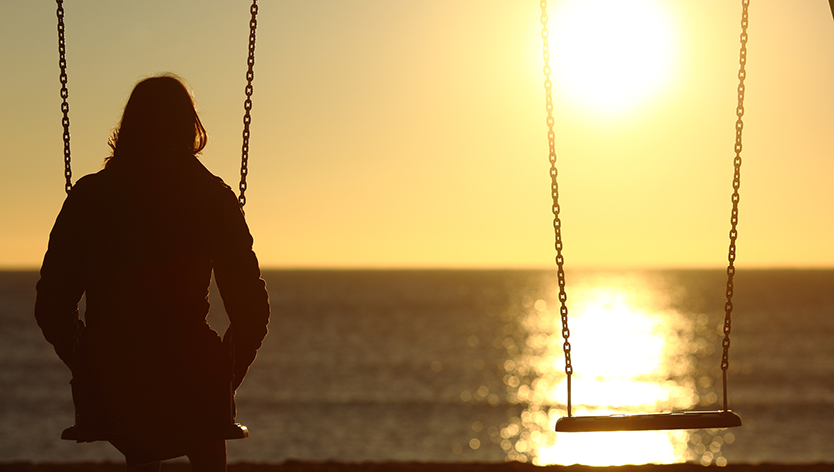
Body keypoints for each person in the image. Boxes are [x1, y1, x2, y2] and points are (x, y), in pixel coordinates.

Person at [34, 74, 270, 472]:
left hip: (117, 381)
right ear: (190, 128)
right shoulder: (211, 197)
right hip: (192, 379)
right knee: (202, 414)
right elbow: (252, 313)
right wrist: (225, 376)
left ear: (128, 127)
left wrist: (89, 362)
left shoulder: (92, 197)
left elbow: (51, 306)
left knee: (137, 409)